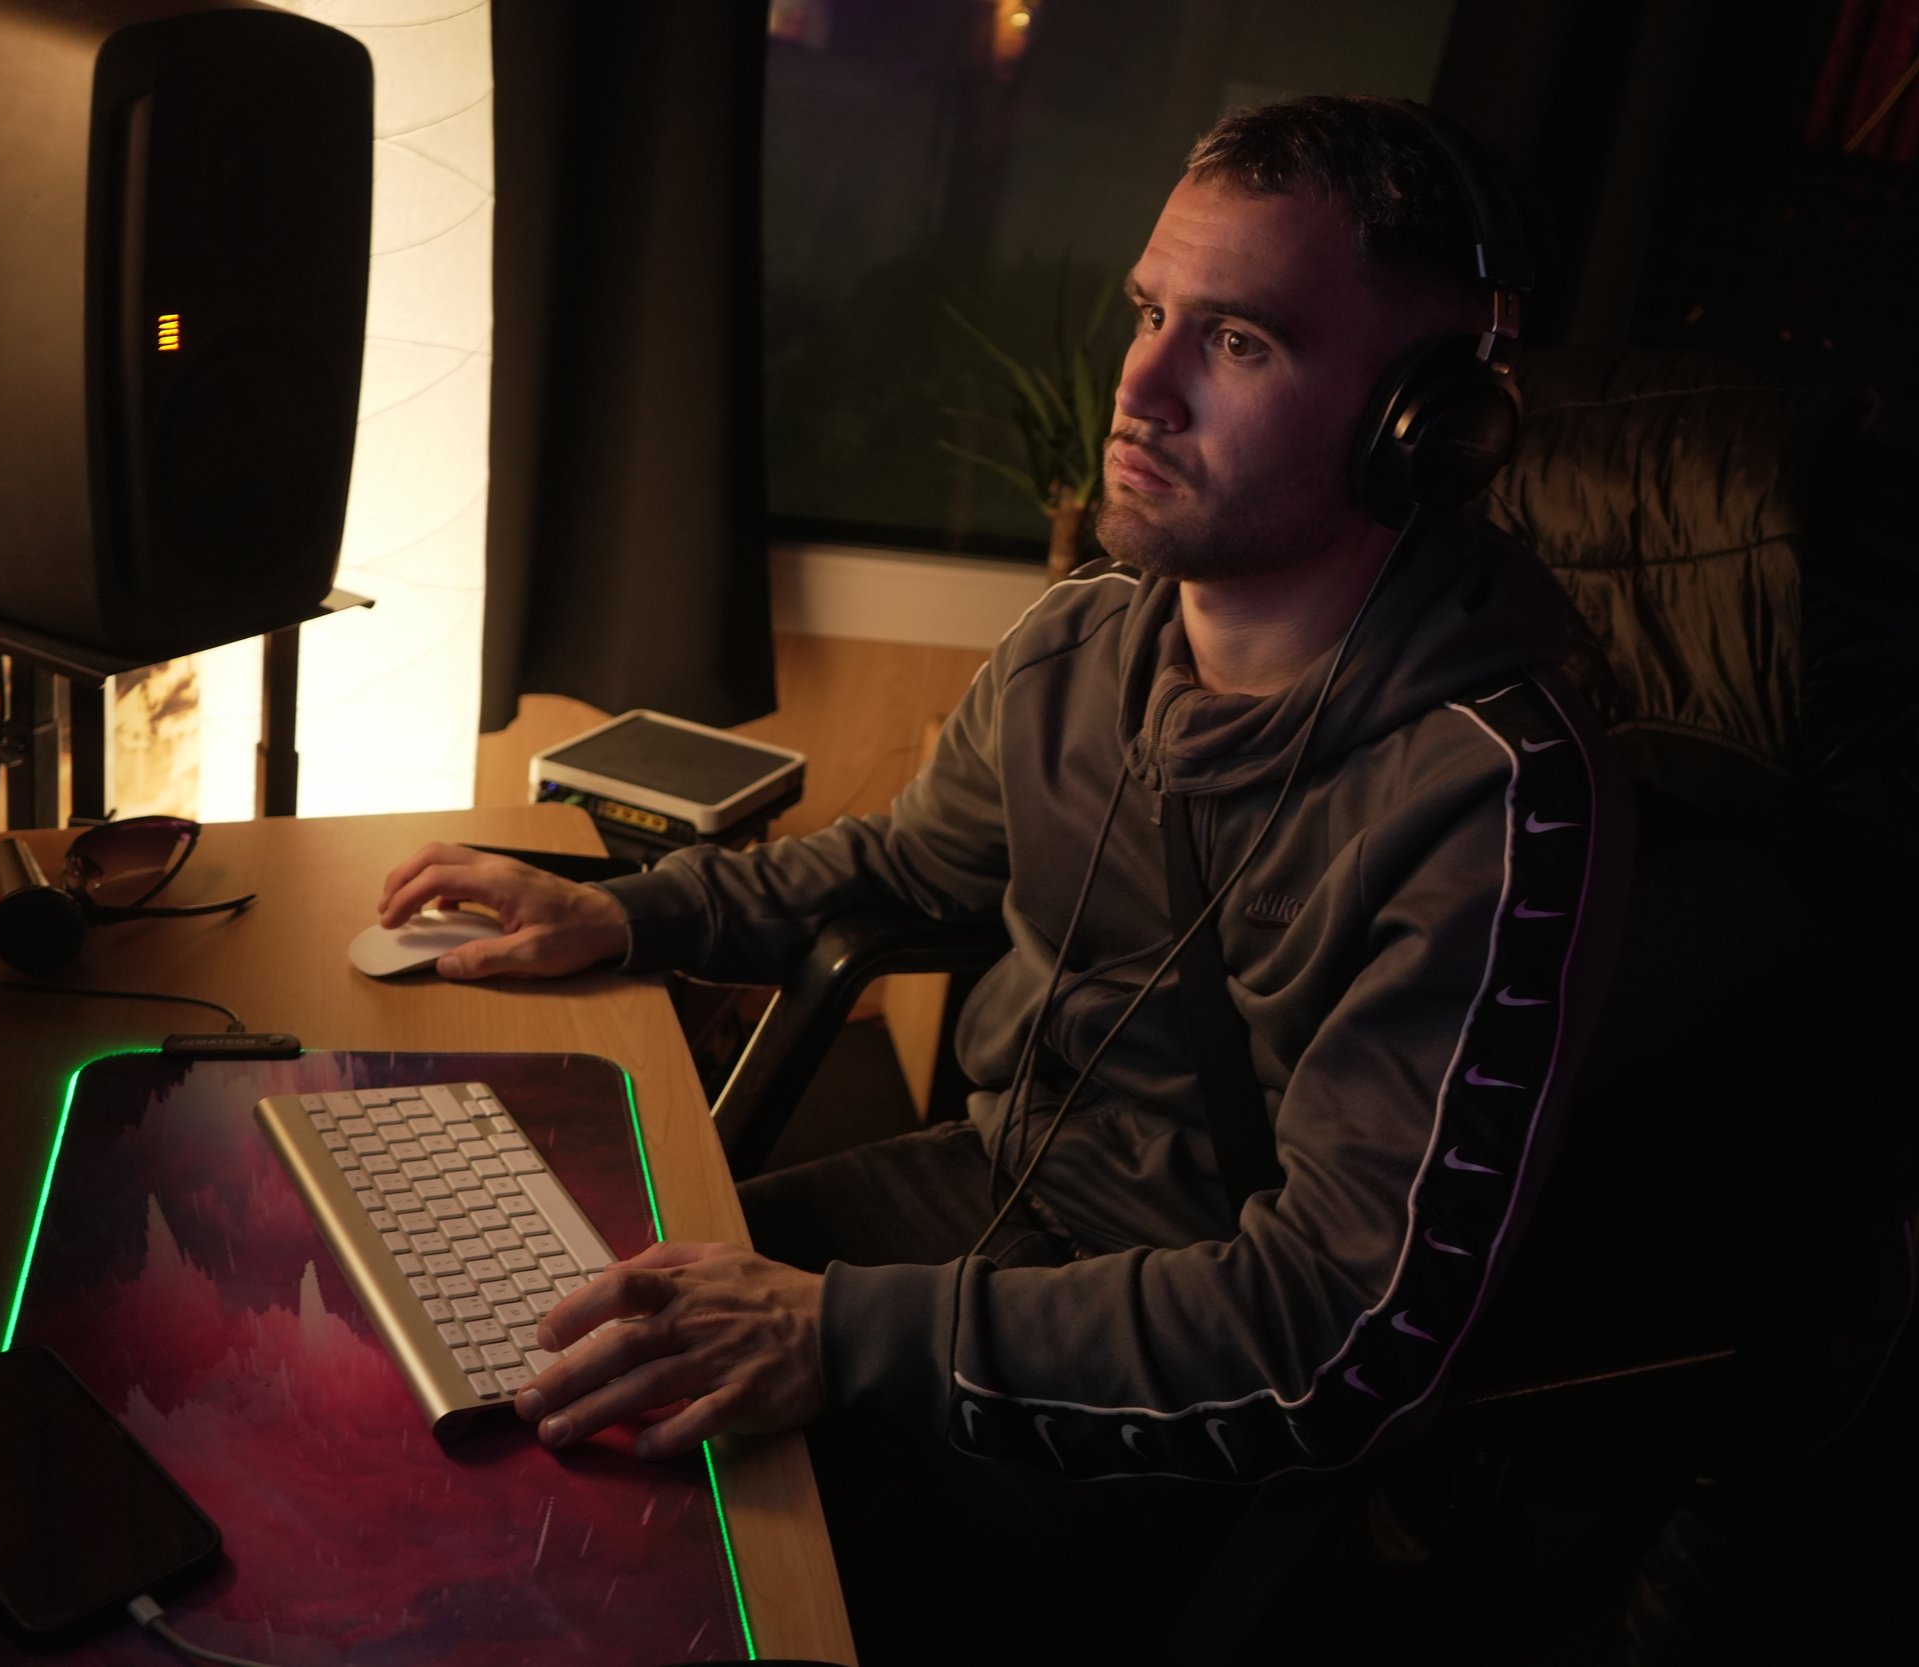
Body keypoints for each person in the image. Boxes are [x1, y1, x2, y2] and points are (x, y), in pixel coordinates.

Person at [379, 96, 1628, 1660]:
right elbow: (907, 862)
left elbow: (1339, 1329)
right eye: (1149, 314)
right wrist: (631, 910)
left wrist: (837, 1334)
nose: (1141, 391)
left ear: (1422, 425)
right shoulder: (1084, 642)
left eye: (1239, 343)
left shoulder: (1492, 799)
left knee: (613, 1580)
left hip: (1186, 1396)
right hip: (976, 1201)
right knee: (511, 1388)